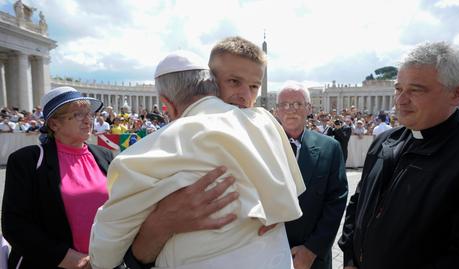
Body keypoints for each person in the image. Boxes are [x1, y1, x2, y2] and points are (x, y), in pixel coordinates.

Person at [89, 51, 305, 269]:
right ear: (214, 88)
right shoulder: (265, 122)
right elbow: (292, 193)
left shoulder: (142, 156)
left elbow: (103, 256)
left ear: (167, 104)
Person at [122, 36, 275, 268]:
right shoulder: (167, 144)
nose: (246, 95)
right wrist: (163, 223)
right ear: (210, 85)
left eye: (254, 86)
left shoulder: (264, 137)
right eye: (234, 82)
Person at [338, 41, 459, 269]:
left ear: (457, 94)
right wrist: (349, 259)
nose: (400, 100)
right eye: (398, 89)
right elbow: (358, 202)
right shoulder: (385, 141)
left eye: (415, 90)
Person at [1, 86, 114, 269]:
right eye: (78, 114)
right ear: (54, 124)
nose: (88, 120)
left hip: (103, 263)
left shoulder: (104, 155)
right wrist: (70, 259)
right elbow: (15, 225)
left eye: (90, 114)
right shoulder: (28, 160)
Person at [276, 82, 348, 269]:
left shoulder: (329, 147)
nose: (290, 110)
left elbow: (336, 200)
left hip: (311, 256)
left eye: (298, 104)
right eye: (284, 104)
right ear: (276, 111)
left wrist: (311, 250)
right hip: (269, 250)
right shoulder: (261, 147)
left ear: (309, 108)